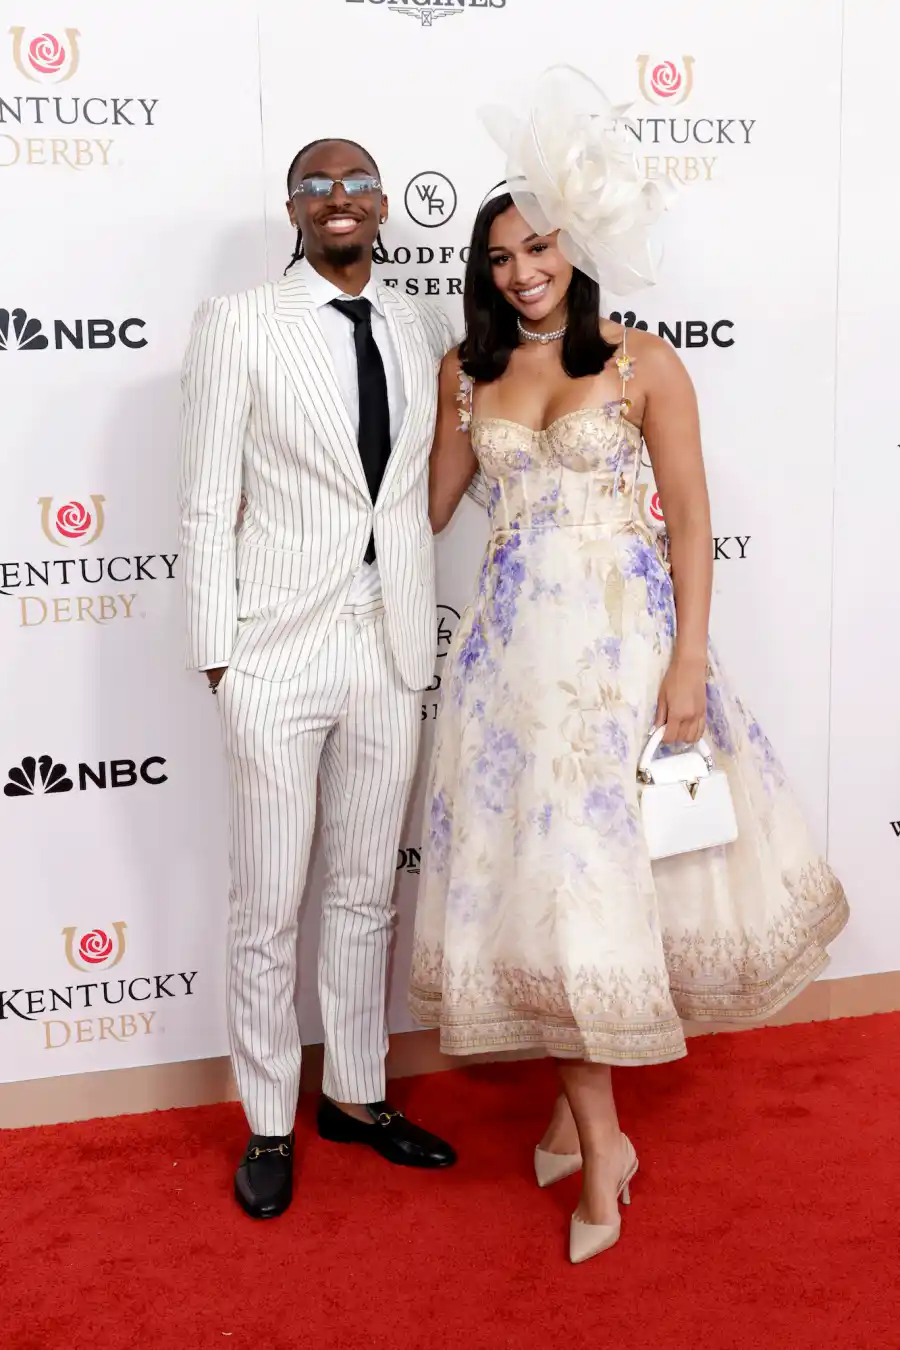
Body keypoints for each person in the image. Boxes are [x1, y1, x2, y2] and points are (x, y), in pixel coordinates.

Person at [409, 70, 848, 1264]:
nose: (521, 270)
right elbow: (434, 507)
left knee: (606, 894)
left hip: (624, 655)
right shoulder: (470, 372)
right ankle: (600, 1134)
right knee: (549, 895)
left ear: (575, 243)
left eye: (538, 245)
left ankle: (584, 1124)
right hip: (509, 678)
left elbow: (693, 519)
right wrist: (416, 412)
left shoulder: (645, 362)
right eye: (500, 256)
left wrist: (690, 659)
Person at [179, 136, 457, 1220]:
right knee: (267, 899)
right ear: (291, 206)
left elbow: (414, 486)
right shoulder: (240, 324)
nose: (338, 200)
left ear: (383, 202)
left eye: (355, 183)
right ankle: (268, 1119)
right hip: (275, 652)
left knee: (362, 887)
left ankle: (356, 1093)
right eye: (316, 186)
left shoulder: (417, 323)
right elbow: (205, 503)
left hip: (389, 647)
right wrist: (221, 656)